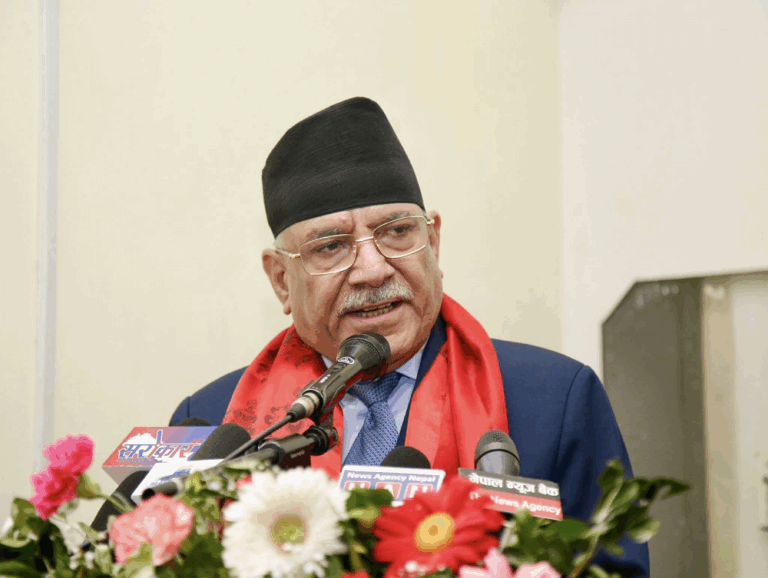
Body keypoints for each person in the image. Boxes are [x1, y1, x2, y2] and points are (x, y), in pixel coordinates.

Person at [170, 97, 650, 575]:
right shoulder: (212, 424)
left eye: (397, 232)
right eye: (332, 246)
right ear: (281, 280)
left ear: (433, 242)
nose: (373, 270)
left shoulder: (555, 400)